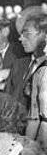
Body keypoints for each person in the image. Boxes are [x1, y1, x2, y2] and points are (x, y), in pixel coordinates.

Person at [5, 13, 46, 110]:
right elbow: (6, 99)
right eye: (21, 34)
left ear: (45, 35)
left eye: (27, 34)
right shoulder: (18, 65)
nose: (21, 38)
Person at [20, 14, 47, 146]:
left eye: (27, 34)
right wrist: (25, 148)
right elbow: (34, 118)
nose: (21, 39)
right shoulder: (40, 72)